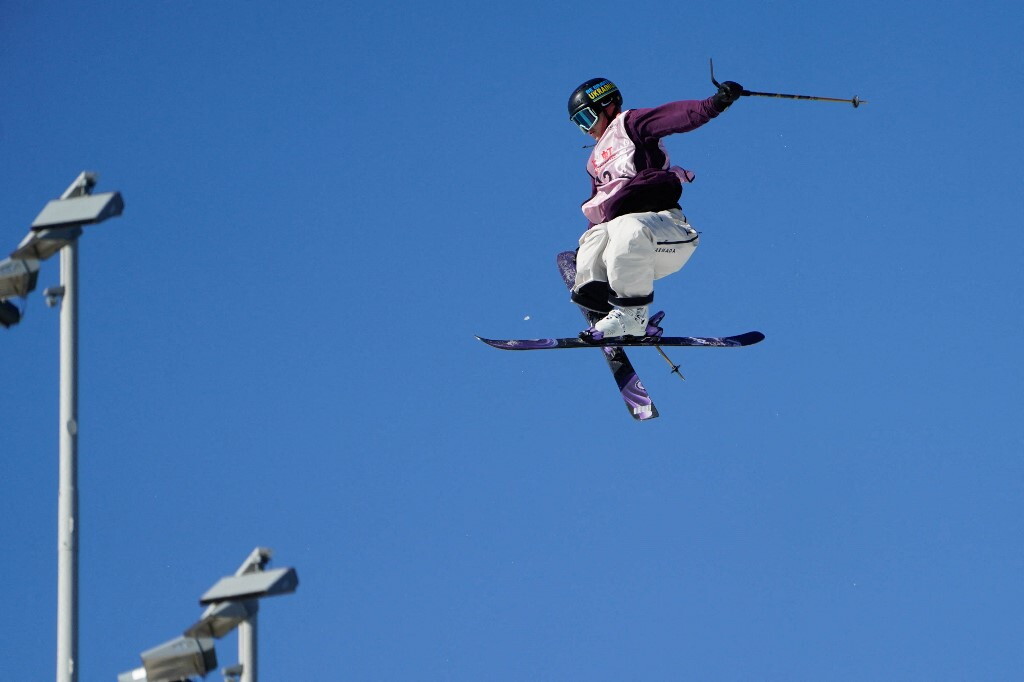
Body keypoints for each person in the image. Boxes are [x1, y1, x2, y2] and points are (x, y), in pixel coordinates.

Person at [567, 76, 744, 340]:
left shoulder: (629, 125)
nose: (586, 129)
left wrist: (715, 103)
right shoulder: (594, 162)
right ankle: (608, 311)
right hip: (631, 250)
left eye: (587, 118)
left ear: (607, 105)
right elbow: (598, 206)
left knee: (627, 227)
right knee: (594, 239)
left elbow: (675, 116)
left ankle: (634, 315)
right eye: (579, 124)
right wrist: (585, 255)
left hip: (667, 231)